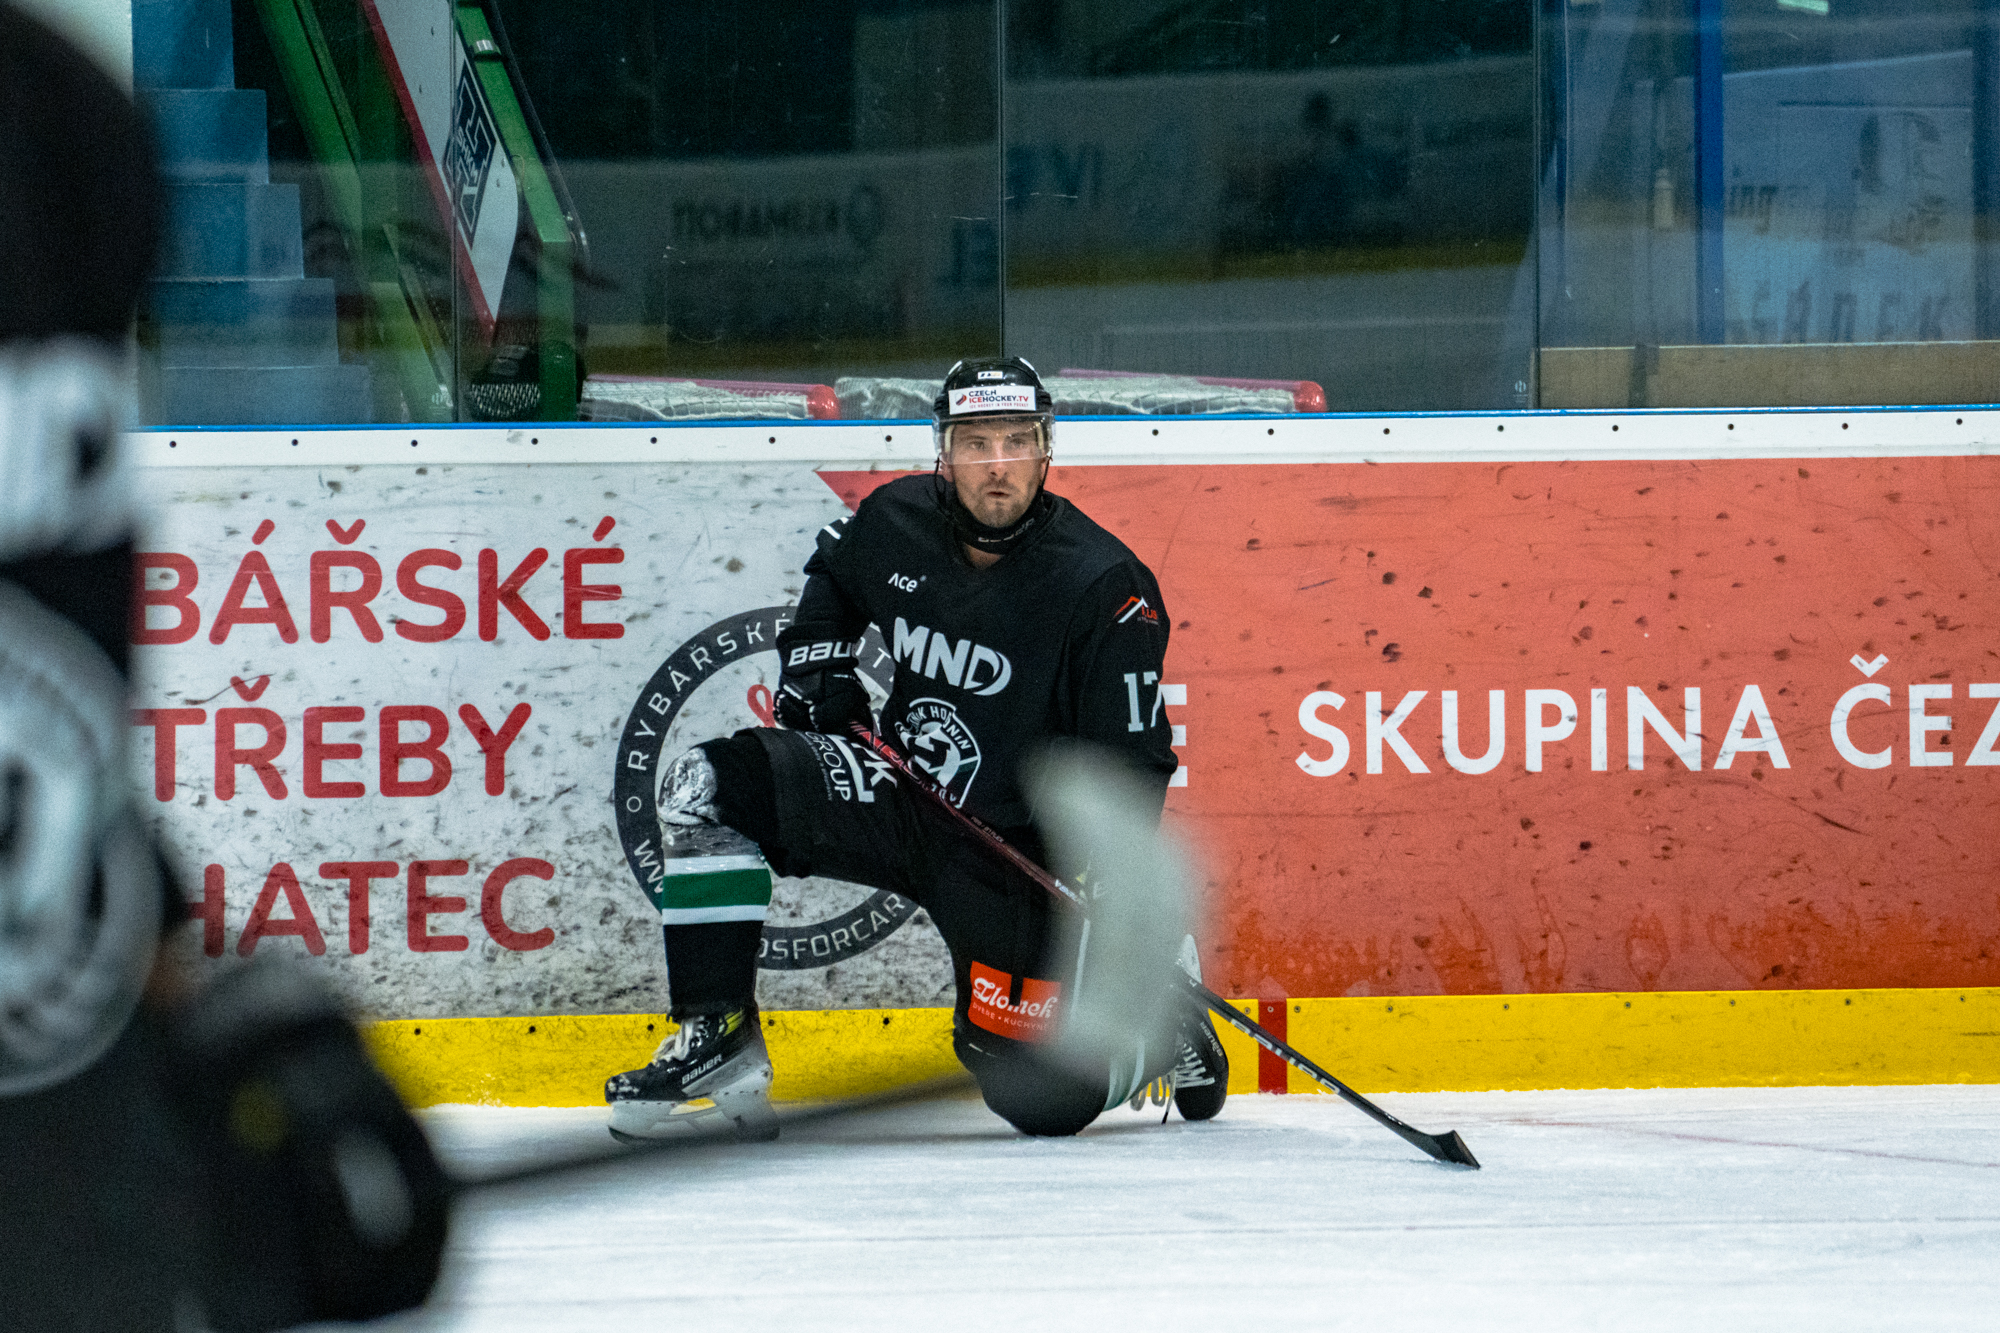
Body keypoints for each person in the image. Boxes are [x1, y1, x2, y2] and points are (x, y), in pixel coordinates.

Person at [605, 357, 1228, 1139]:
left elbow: (1133, 761)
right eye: (975, 443)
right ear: (943, 450)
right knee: (706, 787)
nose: (996, 465)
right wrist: (817, 656)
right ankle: (718, 1036)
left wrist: (1104, 871)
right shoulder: (898, 519)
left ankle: (1163, 1025)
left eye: (1016, 441)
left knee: (1036, 1095)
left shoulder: (1104, 587)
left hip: (1010, 850)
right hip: (898, 792)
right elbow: (834, 562)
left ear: (1046, 450)